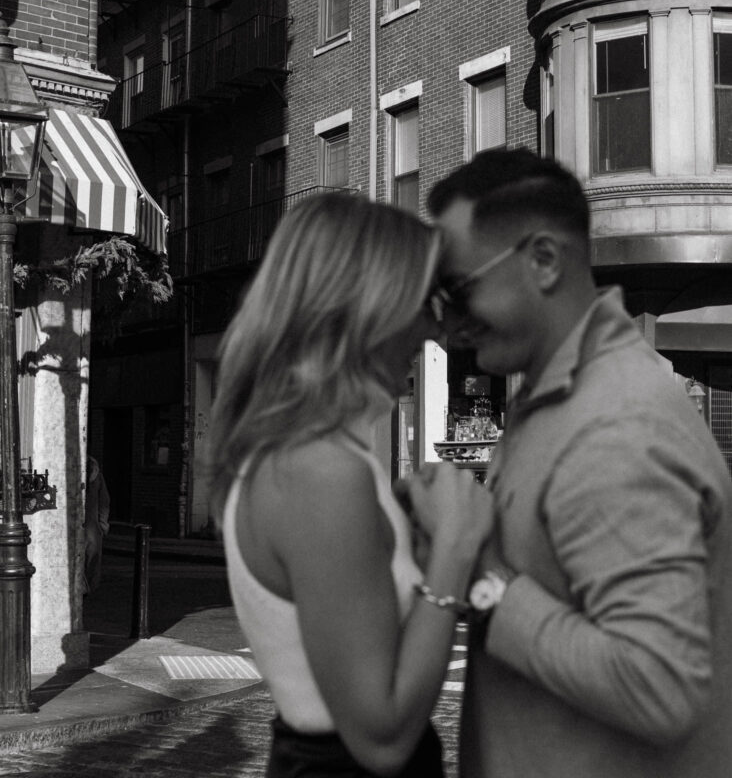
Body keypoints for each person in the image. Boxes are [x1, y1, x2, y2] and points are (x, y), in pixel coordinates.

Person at [409, 147, 732, 778]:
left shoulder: (618, 427)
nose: (444, 321)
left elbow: (658, 687)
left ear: (544, 260)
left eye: (458, 288)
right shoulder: (553, 396)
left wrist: (477, 571)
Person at [209, 191, 493, 778]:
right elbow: (382, 739)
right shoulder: (318, 473)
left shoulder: (310, 455)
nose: (433, 326)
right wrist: (454, 548)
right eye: (423, 301)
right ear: (368, 305)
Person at [84, 455, 110, 594]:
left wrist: (102, 524)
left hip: (90, 524)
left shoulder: (96, 477)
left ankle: (86, 587)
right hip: (87, 525)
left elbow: (104, 501)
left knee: (91, 554)